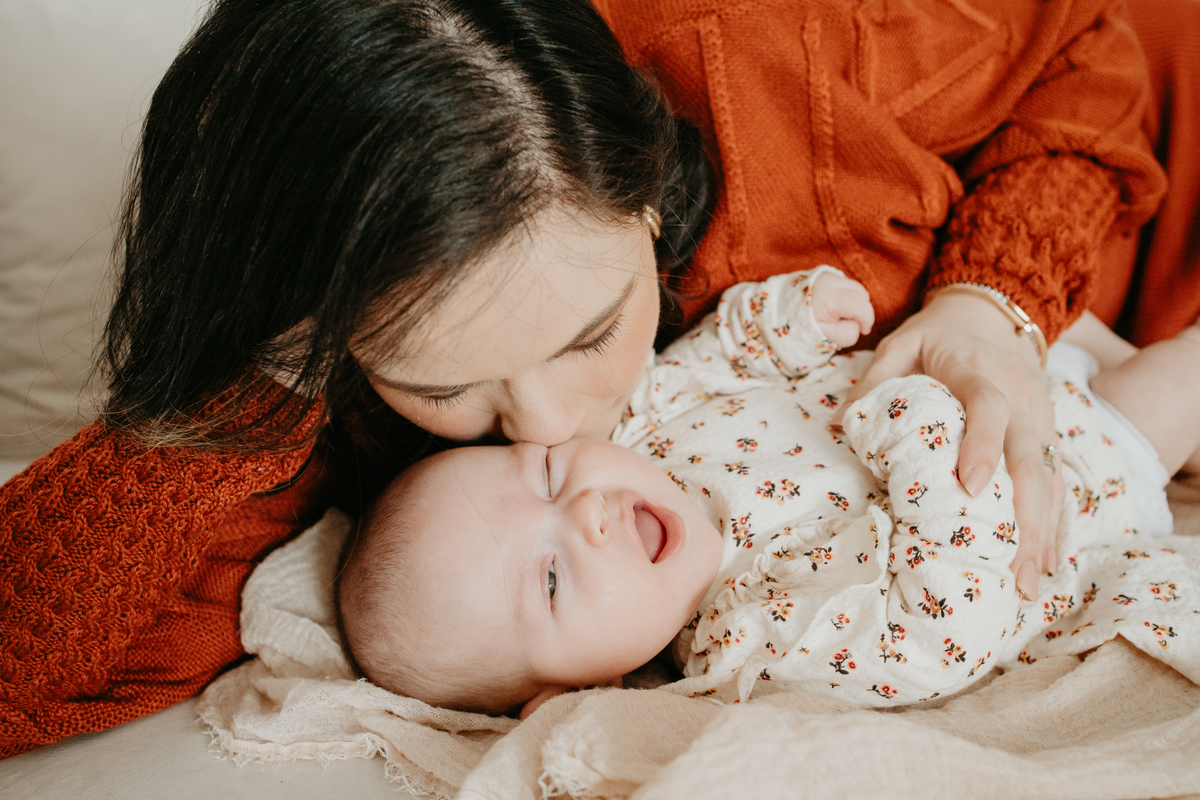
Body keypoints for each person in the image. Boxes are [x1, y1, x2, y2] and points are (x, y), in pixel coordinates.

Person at [0, 0, 1193, 755]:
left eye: (588, 333)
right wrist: (251, 351)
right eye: (451, 390)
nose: (560, 427)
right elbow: (19, 673)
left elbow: (1088, 49)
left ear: (649, 184)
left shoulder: (773, 49)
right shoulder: (334, 388)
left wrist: (994, 297)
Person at [338, 268, 1200, 718]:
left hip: (974, 350)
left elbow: (723, 352)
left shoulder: (646, 425)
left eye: (550, 477)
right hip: (1081, 469)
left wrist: (789, 317)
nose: (588, 513)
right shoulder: (755, 642)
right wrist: (912, 432)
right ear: (575, 693)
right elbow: (946, 625)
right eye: (553, 580)